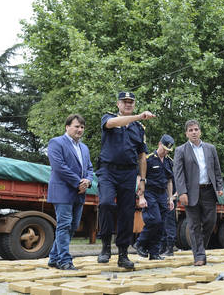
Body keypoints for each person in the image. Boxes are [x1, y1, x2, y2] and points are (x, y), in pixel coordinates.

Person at [97, 92, 154, 269]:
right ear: (118, 104)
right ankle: (106, 245)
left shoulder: (139, 128)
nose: (128, 104)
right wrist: (138, 116)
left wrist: (142, 180)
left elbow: (142, 157)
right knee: (105, 203)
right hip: (108, 170)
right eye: (125, 102)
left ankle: (123, 253)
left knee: (127, 212)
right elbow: (112, 124)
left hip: (128, 174)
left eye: (131, 102)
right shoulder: (109, 118)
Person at [47, 114, 94, 270]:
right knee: (64, 225)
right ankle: (64, 261)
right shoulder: (56, 142)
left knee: (73, 226)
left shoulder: (84, 148)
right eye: (76, 126)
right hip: (62, 192)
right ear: (67, 127)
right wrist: (78, 182)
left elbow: (90, 168)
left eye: (82, 127)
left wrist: (88, 181)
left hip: (79, 193)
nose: (79, 130)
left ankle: (53, 258)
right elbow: (59, 167)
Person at [174, 120, 224, 266]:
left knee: (210, 222)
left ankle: (199, 246)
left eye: (196, 129)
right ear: (186, 134)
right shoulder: (181, 150)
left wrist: (219, 186)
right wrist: (182, 192)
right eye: (190, 130)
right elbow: (178, 174)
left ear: (200, 131)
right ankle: (199, 256)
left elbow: (217, 170)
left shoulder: (210, 149)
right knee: (194, 225)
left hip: (209, 191)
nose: (194, 132)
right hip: (190, 193)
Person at [133, 135, 175, 260]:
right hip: (150, 192)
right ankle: (140, 243)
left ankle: (154, 252)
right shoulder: (148, 159)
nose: (166, 151)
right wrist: (141, 196)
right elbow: (139, 177)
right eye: (164, 148)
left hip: (163, 194)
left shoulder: (169, 161)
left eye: (168, 150)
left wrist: (170, 198)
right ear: (159, 144)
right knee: (154, 220)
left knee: (161, 224)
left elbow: (169, 181)